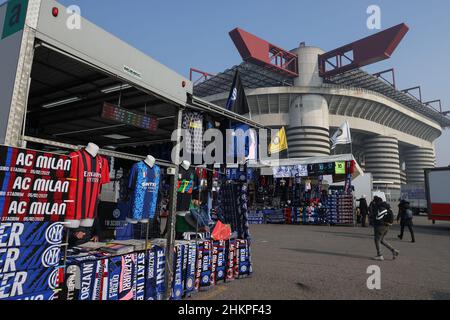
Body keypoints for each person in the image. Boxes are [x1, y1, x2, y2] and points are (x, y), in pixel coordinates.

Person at [369, 196, 399, 261]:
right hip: (387, 226)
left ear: (376, 201)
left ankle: (380, 255)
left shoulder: (379, 207)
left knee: (377, 240)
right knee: (382, 240)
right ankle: (393, 250)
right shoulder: (386, 206)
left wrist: (374, 222)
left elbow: (378, 217)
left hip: (380, 226)